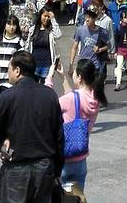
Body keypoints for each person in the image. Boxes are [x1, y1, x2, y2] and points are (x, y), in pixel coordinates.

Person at [0, 50, 64, 203]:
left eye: (9, 68)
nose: (8, 73)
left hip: (17, 168)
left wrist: (1, 139)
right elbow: (59, 137)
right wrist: (57, 170)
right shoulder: (50, 95)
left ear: (17, 71)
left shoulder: (8, 96)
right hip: (45, 168)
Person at [48, 57, 107, 191]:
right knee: (76, 197)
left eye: (74, 72)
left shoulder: (72, 98)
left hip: (64, 158)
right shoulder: (96, 98)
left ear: (79, 77)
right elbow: (74, 100)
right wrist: (63, 77)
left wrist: (49, 77)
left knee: (58, 197)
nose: (73, 74)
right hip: (81, 158)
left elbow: (48, 105)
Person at [0, 16, 25, 95]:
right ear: (4, 25)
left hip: (10, 78)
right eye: (9, 24)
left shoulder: (19, 41)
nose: (11, 27)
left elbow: (21, 60)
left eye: (14, 24)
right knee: (0, 101)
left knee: (9, 100)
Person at [69, 7, 108, 76]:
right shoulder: (80, 30)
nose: (87, 19)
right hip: (82, 64)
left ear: (95, 18)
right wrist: (71, 65)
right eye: (86, 16)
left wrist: (100, 50)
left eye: (90, 17)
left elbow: (108, 45)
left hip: (95, 65)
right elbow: (74, 48)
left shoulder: (102, 31)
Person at [26, 7, 61, 83]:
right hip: (34, 64)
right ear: (40, 16)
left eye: (48, 17)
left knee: (45, 87)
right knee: (33, 87)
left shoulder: (51, 31)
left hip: (47, 65)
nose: (46, 18)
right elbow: (27, 46)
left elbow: (58, 35)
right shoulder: (33, 29)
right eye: (45, 16)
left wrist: (53, 19)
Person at [114, 8, 127, 90]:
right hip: (120, 49)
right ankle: (118, 83)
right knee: (119, 66)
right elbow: (116, 40)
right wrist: (115, 51)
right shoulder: (118, 28)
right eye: (125, 17)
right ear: (121, 19)